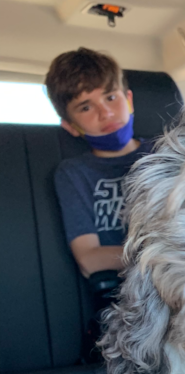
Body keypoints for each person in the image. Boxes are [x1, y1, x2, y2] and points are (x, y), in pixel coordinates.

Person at [45, 47, 153, 279]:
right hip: (130, 296)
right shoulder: (73, 174)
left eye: (111, 97)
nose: (105, 113)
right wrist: (162, 259)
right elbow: (89, 258)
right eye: (85, 107)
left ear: (129, 100)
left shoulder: (165, 151)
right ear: (71, 126)